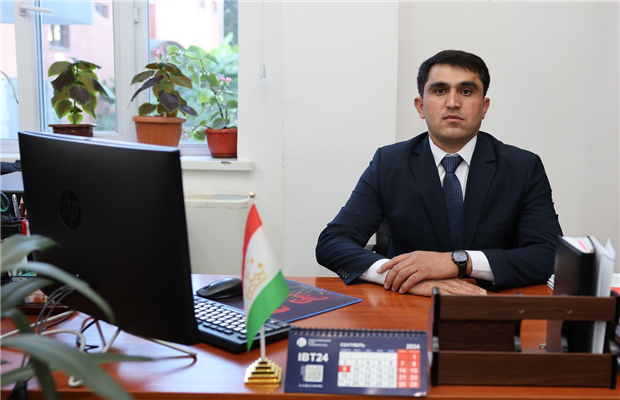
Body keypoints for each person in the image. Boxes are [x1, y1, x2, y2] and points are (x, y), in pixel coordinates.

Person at [316, 50, 562, 297]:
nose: (453, 102)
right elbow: (333, 242)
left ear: (484, 107)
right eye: (440, 90)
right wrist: (404, 278)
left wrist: (460, 262)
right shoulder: (389, 163)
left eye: (466, 91)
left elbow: (550, 254)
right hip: (409, 302)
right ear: (421, 107)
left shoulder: (522, 167)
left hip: (488, 302)